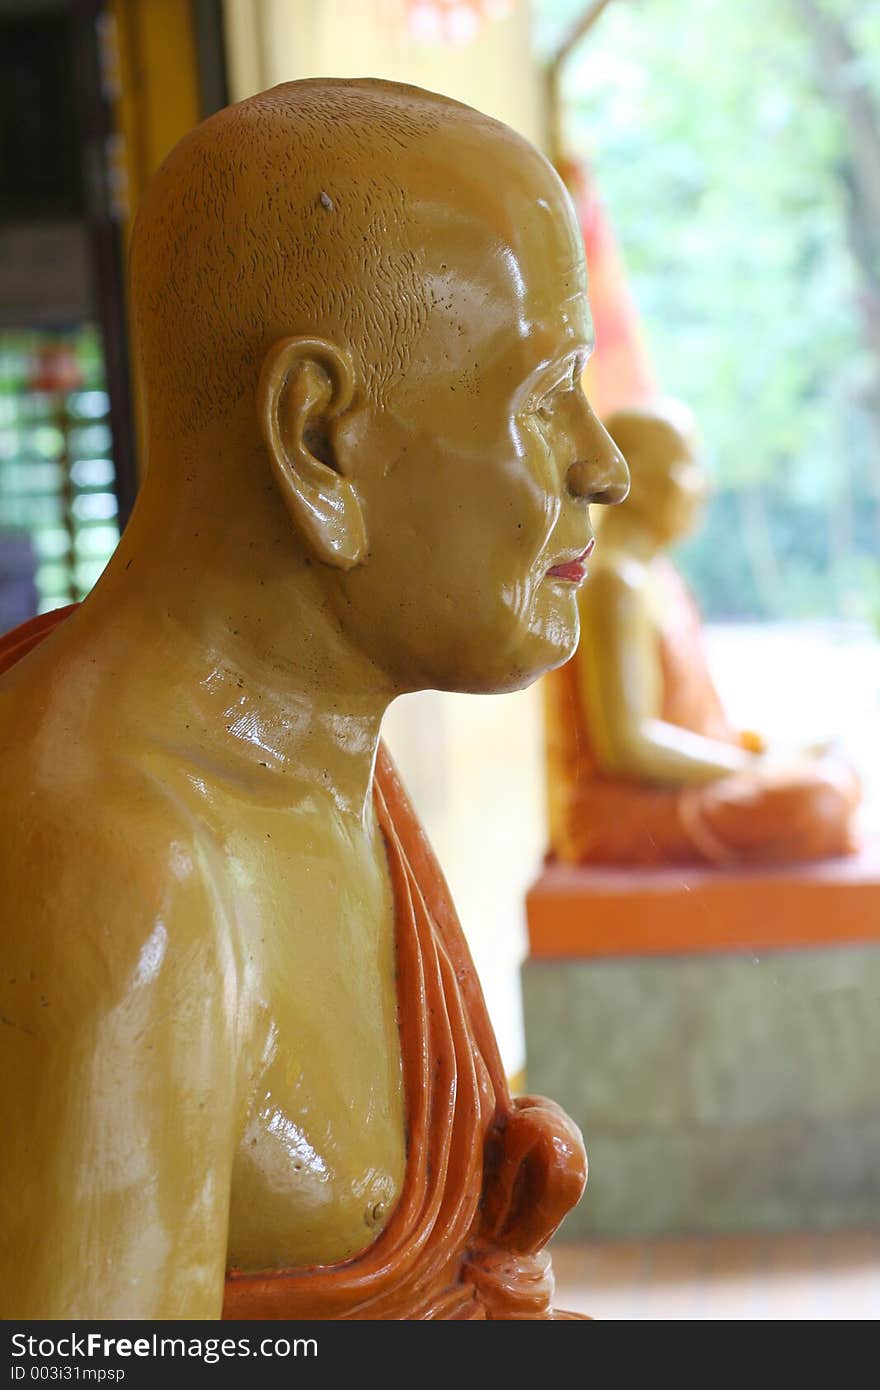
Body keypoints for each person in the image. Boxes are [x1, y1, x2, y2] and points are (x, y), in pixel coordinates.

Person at [0, 78, 628, 1319]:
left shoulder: (316, 756)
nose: (600, 464)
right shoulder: (123, 883)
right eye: (543, 391)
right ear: (320, 439)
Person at [545, 400, 860, 867]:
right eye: (688, 466)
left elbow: (689, 725)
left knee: (837, 768)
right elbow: (626, 746)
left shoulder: (659, 578)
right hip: (624, 811)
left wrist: (766, 749)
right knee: (822, 797)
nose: (703, 487)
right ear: (641, 480)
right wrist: (754, 770)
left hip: (675, 789)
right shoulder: (614, 582)